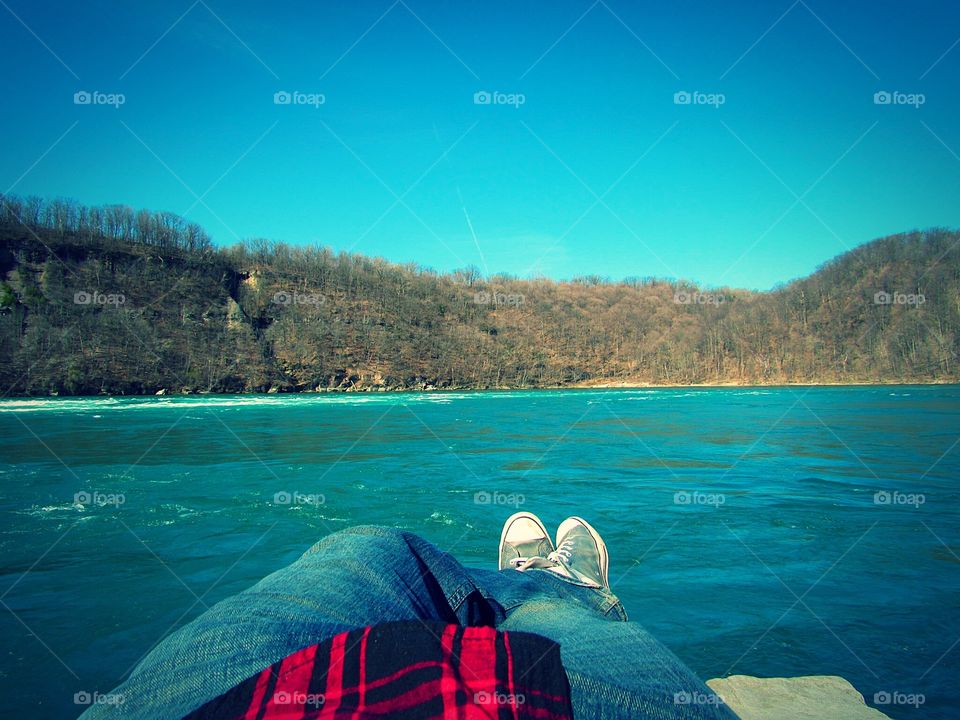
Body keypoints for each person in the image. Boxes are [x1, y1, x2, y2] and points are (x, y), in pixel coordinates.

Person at [81, 513, 736, 719]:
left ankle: (520, 585)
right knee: (560, 628)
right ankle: (573, 592)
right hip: (552, 701)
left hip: (237, 699)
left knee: (366, 547)